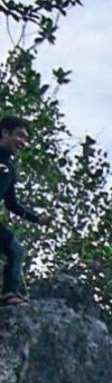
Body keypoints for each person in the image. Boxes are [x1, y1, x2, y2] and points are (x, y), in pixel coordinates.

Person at [0, 115, 52, 306]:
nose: (23, 142)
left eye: (26, 139)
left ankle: (9, 294)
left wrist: (37, 218)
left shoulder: (9, 171)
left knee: (15, 250)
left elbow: (11, 204)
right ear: (5, 132)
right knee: (15, 250)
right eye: (20, 136)